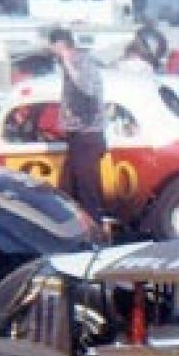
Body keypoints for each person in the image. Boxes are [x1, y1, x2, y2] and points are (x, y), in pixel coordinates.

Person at [48, 27, 108, 223]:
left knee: (86, 186)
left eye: (53, 46)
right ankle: (73, 223)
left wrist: (68, 62)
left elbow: (87, 90)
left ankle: (95, 223)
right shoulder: (67, 65)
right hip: (76, 134)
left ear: (61, 45)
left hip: (88, 134)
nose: (52, 51)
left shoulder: (83, 62)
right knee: (68, 185)